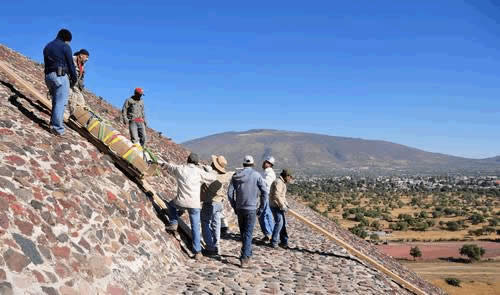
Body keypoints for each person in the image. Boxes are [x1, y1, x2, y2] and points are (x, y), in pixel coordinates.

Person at [161, 153, 217, 260]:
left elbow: (169, 166)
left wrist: (161, 163)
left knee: (171, 205)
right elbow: (213, 178)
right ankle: (197, 252)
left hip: (181, 202)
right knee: (195, 227)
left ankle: (173, 222)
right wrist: (207, 170)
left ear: (187, 160)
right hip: (194, 204)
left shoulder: (180, 169)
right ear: (196, 162)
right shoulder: (199, 172)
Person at [228, 155, 269, 268]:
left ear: (243, 164)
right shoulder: (257, 175)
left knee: (243, 233)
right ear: (253, 164)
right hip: (251, 208)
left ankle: (248, 253)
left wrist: (234, 205)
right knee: (248, 233)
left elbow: (230, 193)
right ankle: (245, 258)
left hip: (240, 208)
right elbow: (265, 192)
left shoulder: (236, 176)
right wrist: (261, 207)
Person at [43, 28, 78, 136]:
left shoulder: (47, 46)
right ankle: (57, 128)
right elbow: (71, 65)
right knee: (61, 103)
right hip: (60, 76)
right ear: (66, 39)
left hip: (48, 76)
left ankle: (52, 124)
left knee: (55, 102)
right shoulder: (65, 46)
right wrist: (74, 78)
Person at [200, 155, 232, 256]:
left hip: (211, 202)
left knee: (205, 222)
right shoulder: (223, 176)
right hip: (219, 202)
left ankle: (210, 246)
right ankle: (216, 244)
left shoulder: (211, 175)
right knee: (216, 224)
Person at [269, 169, 293, 248]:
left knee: (282, 223)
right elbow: (276, 195)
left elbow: (282, 196)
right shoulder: (278, 182)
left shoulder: (282, 182)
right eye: (290, 177)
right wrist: (282, 206)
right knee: (279, 223)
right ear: (286, 176)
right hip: (275, 206)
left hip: (279, 206)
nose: (290, 179)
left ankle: (284, 241)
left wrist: (286, 204)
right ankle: (274, 241)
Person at [67, 49, 89, 116]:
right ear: (81, 55)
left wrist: (81, 87)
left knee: (82, 102)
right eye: (86, 57)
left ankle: (80, 117)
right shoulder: (71, 60)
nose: (87, 59)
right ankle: (73, 116)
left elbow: (81, 78)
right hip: (67, 83)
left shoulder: (82, 66)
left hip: (75, 85)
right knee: (73, 98)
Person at [258, 156, 276, 241]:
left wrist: (258, 179)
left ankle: (269, 233)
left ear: (269, 164)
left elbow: (266, 185)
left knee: (264, 214)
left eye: (266, 162)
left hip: (266, 195)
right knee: (266, 214)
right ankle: (270, 233)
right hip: (265, 195)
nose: (264, 163)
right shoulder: (265, 172)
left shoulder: (269, 173)